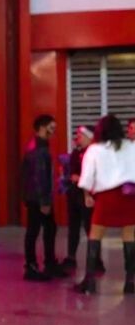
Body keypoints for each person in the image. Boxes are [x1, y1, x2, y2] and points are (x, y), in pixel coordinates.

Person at [74, 114, 135, 294]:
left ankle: (90, 281)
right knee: (129, 236)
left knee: (95, 235)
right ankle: (130, 281)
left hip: (106, 198)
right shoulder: (131, 147)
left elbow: (87, 176)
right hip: (129, 196)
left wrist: (87, 195)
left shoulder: (94, 150)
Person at [21, 114, 67, 281]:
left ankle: (47, 263)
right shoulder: (38, 149)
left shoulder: (37, 145)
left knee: (47, 228)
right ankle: (33, 266)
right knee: (36, 230)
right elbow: (39, 177)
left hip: (35, 196)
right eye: (51, 128)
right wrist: (45, 201)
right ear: (42, 127)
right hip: (38, 198)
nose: (53, 131)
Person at [61, 126, 99, 270]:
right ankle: (71, 257)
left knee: (91, 227)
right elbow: (72, 171)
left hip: (89, 195)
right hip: (74, 194)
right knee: (73, 227)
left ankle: (95, 259)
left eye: (80, 135)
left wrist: (82, 179)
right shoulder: (76, 153)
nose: (78, 138)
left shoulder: (95, 154)